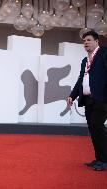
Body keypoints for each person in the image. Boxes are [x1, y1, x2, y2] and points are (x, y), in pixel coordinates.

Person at [67, 31, 107, 171]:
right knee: (93, 129)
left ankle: (104, 160)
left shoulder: (104, 53)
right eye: (84, 41)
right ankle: (99, 159)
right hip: (89, 100)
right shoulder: (85, 60)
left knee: (98, 127)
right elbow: (81, 80)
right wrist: (72, 95)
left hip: (101, 99)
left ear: (97, 41)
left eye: (89, 40)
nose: (85, 42)